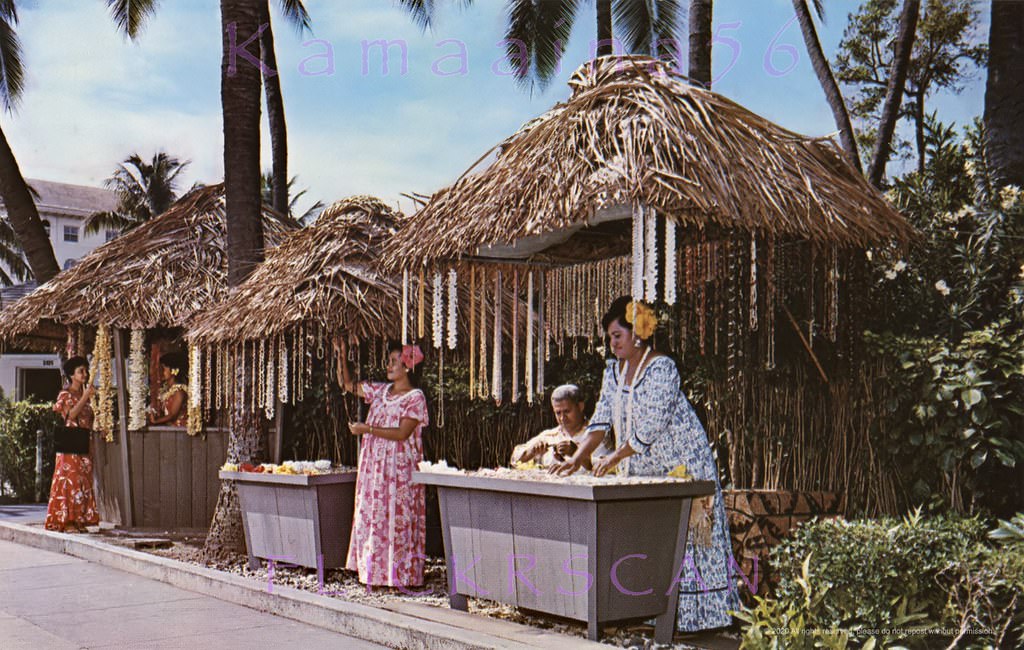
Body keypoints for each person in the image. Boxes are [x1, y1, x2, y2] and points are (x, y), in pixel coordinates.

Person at [551, 296, 738, 632]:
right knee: (654, 536)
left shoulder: (662, 368)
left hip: (682, 462)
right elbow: (601, 421)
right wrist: (578, 458)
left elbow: (649, 426)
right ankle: (653, 611)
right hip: (644, 466)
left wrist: (614, 458)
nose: (612, 343)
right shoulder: (614, 371)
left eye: (616, 336)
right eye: (610, 337)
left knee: (691, 536)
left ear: (637, 334)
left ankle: (701, 619)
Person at [335, 338, 429, 588]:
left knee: (397, 515)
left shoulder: (415, 397)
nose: (388, 366)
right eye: (388, 361)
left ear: (408, 366)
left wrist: (368, 428)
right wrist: (341, 355)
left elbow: (402, 433)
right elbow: (346, 384)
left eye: (394, 362)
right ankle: (374, 572)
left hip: (398, 468)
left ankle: (401, 575)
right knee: (375, 512)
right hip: (375, 468)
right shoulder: (380, 391)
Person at [45, 356, 101, 533]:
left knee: (83, 481)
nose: (85, 374)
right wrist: (85, 396)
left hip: (84, 442)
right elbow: (70, 415)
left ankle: (79, 520)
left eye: (86, 370)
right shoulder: (65, 394)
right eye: (80, 371)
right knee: (69, 481)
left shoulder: (85, 394)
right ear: (71, 375)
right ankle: (67, 521)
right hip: (70, 445)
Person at [510, 384, 610, 469]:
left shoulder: (598, 434)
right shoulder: (549, 436)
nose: (562, 418)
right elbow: (514, 460)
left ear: (580, 406)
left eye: (567, 411)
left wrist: (577, 453)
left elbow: (609, 467)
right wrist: (530, 453)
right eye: (558, 413)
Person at [148, 351, 188, 427]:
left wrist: (156, 421)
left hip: (180, 431)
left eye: (164, 369)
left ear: (173, 371)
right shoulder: (168, 390)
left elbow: (173, 415)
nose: (161, 372)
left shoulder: (179, 391)